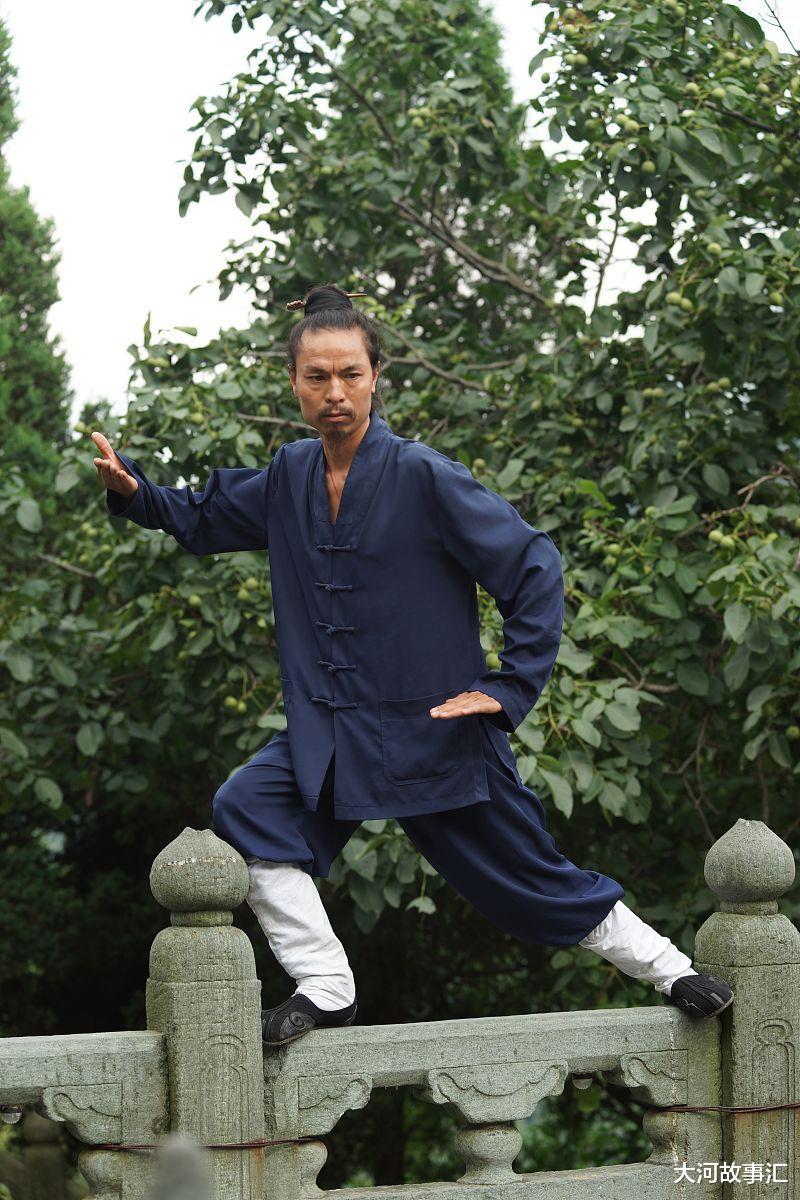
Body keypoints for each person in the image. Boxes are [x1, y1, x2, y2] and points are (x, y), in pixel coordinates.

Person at [93, 283, 733, 1046]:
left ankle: (671, 970)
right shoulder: (290, 474)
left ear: (376, 378)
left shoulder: (423, 475)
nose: (335, 393)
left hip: (434, 728)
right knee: (248, 808)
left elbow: (533, 565)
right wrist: (137, 493)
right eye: (317, 377)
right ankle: (326, 986)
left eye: (351, 375)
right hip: (332, 733)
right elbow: (203, 515)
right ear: (294, 383)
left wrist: (506, 687)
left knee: (528, 875)